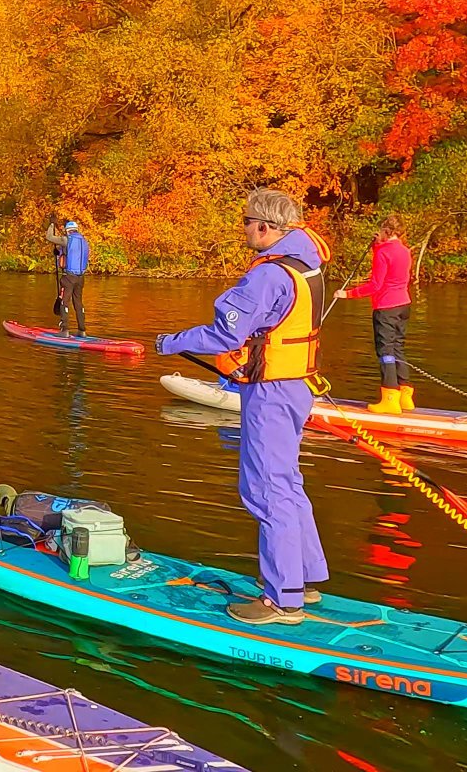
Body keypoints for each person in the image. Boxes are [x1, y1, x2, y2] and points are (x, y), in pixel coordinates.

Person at [154, 188, 329, 625]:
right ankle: (304, 578)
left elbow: (224, 335)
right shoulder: (308, 264)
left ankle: (283, 601)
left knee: (266, 491)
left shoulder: (268, 276)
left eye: (247, 221)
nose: (244, 228)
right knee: (287, 483)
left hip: (271, 392)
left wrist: (170, 343)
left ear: (266, 228)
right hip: (297, 387)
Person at [332, 215, 414, 413]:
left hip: (386, 307)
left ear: (386, 231)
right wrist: (377, 246)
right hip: (404, 304)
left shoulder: (383, 252)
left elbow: (375, 285)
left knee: (385, 351)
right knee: (397, 348)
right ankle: (405, 396)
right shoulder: (405, 251)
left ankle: (390, 398)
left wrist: (348, 294)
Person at [44, 219, 91, 336]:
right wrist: (59, 252)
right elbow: (73, 254)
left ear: (68, 231)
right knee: (78, 303)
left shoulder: (66, 239)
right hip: (80, 278)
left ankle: (64, 330)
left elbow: (49, 237)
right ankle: (82, 330)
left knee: (64, 302)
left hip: (68, 277)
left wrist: (51, 224)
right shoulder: (84, 241)